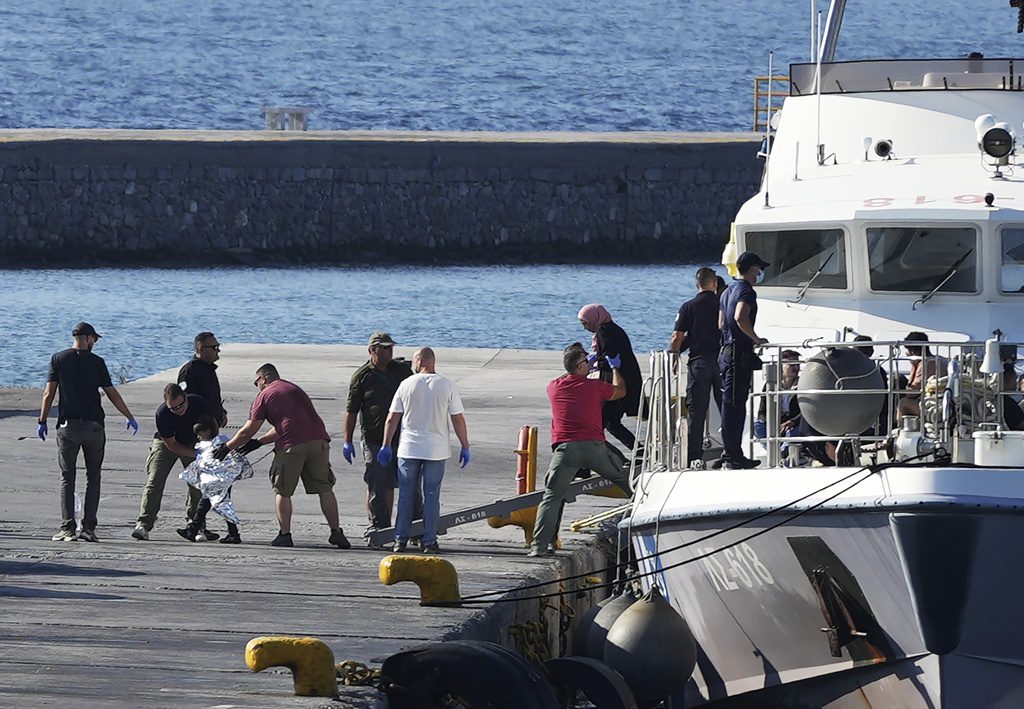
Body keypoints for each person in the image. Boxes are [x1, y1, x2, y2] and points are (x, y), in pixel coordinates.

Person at [214, 363, 351, 549]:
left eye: (257, 382)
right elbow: (286, 423)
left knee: (282, 491)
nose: (257, 387)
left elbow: (248, 430)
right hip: (319, 442)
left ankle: (284, 534)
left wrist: (227, 447)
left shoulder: (265, 395)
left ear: (263, 378)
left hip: (291, 447)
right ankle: (336, 532)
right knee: (325, 489)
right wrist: (260, 442)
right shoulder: (294, 389)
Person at [38, 322, 138, 542]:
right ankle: (88, 528)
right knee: (93, 477)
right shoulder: (97, 362)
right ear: (89, 338)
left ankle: (67, 528)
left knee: (67, 477)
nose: (95, 343)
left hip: (68, 427)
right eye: (95, 340)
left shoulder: (58, 359)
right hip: (94, 427)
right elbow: (111, 393)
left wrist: (42, 420)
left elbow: (48, 393)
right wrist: (129, 416)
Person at [529, 347, 634, 558]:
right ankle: (648, 510)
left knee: (551, 497)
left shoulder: (553, 387)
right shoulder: (594, 386)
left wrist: (577, 368)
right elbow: (621, 390)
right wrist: (615, 369)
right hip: (594, 448)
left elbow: (565, 376)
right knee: (627, 481)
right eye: (586, 361)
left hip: (565, 451)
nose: (589, 363)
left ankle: (538, 547)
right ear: (580, 366)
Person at [377, 348, 470, 554]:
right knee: (431, 495)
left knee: (406, 495)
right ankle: (429, 541)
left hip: (409, 448)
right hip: (436, 449)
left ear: (419, 361)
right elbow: (457, 418)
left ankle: (400, 540)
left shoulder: (406, 384)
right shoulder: (447, 385)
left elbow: (392, 418)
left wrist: (386, 444)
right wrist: (465, 445)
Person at [342, 331, 420, 540]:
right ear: (372, 350)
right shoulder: (362, 376)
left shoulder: (403, 371)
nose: (389, 351)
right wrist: (347, 440)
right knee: (377, 482)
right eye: (384, 347)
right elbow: (352, 411)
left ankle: (415, 529)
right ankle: (379, 526)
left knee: (409, 483)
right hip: (374, 439)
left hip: (403, 438)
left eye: (390, 347)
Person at [132, 383, 222, 542]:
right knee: (155, 480)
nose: (178, 410)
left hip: (194, 442)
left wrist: (207, 451)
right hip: (166, 443)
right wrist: (195, 454)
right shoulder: (162, 414)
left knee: (197, 483)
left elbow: (213, 428)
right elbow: (172, 445)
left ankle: (196, 524)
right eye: (173, 408)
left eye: (181, 405)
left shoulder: (200, 404)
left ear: (186, 398)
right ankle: (143, 524)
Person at [718, 252, 770, 469]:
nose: (760, 273)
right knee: (735, 405)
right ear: (751, 269)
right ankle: (733, 455)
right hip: (738, 354)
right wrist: (755, 338)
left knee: (729, 404)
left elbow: (721, 323)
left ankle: (730, 452)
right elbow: (740, 316)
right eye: (759, 268)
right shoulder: (747, 291)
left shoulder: (727, 291)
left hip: (726, 352)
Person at [669, 267, 723, 467]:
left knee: (696, 412)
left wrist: (674, 357)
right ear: (715, 283)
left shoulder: (688, 307)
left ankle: (694, 457)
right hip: (721, 362)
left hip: (699, 363)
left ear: (697, 284)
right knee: (727, 408)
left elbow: (677, 337)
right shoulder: (722, 304)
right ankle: (733, 450)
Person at [577, 304, 642, 451]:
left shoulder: (604, 332)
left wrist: (591, 363)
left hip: (617, 383)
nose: (585, 327)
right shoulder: (613, 329)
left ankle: (591, 460)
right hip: (626, 380)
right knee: (611, 422)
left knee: (598, 424)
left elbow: (609, 357)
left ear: (594, 318)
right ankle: (640, 452)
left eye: (585, 323)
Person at [184, 414, 243, 544]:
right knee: (217, 506)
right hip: (217, 480)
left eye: (200, 434)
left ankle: (193, 530)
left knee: (205, 506)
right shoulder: (218, 442)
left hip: (220, 481)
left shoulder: (218, 443)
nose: (198, 437)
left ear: (207, 432)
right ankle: (233, 533)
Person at [178, 331, 227, 426]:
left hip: (211, 425)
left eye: (218, 346)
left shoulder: (209, 369)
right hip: (197, 427)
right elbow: (185, 401)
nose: (218, 350)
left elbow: (212, 397)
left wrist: (221, 413)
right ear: (200, 350)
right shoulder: (189, 371)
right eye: (214, 347)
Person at [897, 331, 948, 418]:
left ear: (912, 352)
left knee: (903, 403)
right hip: (946, 403)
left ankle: (900, 428)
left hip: (934, 407)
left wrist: (914, 367)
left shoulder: (925, 364)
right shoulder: (941, 360)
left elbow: (910, 393)